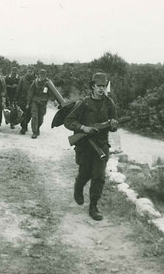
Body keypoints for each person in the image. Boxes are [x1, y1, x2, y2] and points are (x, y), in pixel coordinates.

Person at [64, 72, 118, 221]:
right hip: (85, 145)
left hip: (101, 144)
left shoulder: (109, 103)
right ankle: (78, 187)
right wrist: (82, 128)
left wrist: (114, 125)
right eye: (99, 86)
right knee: (85, 173)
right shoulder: (83, 103)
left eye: (103, 86)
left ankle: (93, 206)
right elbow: (68, 121)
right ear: (93, 86)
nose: (101, 89)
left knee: (99, 176)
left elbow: (114, 123)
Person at [27, 68, 53, 139]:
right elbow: (30, 92)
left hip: (43, 102)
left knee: (41, 118)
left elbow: (52, 93)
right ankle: (34, 132)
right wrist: (28, 102)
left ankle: (37, 128)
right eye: (41, 75)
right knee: (34, 116)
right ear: (38, 75)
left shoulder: (48, 83)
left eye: (43, 76)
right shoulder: (35, 82)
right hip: (34, 101)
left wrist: (48, 98)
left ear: (45, 76)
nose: (42, 77)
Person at [16, 66, 36, 135]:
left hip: (31, 100)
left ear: (33, 72)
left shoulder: (36, 80)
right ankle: (23, 127)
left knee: (29, 114)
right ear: (27, 71)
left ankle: (25, 124)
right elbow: (19, 89)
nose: (30, 73)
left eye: (31, 71)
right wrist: (16, 99)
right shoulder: (22, 79)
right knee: (23, 113)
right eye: (29, 71)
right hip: (22, 99)